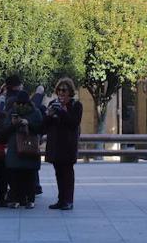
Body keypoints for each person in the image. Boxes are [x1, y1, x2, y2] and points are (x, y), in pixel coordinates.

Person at [0, 90, 43, 209]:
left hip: (30, 147)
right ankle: (16, 199)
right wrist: (14, 124)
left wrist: (28, 123)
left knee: (29, 174)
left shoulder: (35, 112)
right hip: (14, 147)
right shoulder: (11, 112)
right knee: (14, 174)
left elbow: (40, 128)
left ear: (28, 103)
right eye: (19, 103)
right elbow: (5, 130)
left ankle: (30, 199)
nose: (21, 106)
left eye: (24, 103)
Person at [45, 78, 83, 211]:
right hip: (55, 144)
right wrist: (48, 115)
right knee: (58, 173)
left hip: (68, 144)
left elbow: (74, 123)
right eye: (59, 90)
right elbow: (45, 126)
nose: (61, 92)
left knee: (67, 173)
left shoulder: (76, 105)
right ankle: (61, 200)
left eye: (64, 90)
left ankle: (68, 201)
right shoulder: (52, 104)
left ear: (70, 92)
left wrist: (62, 111)